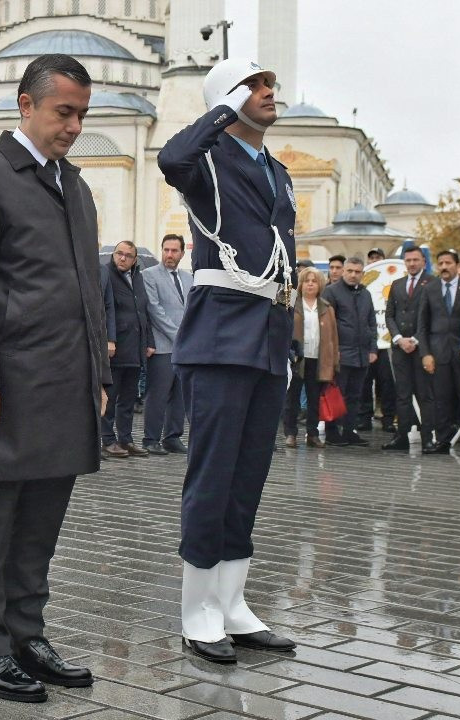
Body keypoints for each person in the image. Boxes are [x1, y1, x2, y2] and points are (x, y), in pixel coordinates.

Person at [0, 53, 107, 702]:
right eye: (63, 112)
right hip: (5, 382)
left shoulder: (75, 185)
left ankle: (26, 635)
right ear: (25, 104)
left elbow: (87, 290)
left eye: (81, 115)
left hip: (64, 379)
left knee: (42, 518)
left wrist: (96, 371)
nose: (73, 126)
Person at [158, 57, 299, 664]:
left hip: (267, 333)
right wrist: (224, 106)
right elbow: (170, 160)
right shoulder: (207, 161)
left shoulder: (280, 171)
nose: (271, 94)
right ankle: (198, 612)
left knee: (248, 478)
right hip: (219, 334)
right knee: (211, 476)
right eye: (258, 87)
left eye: (270, 85)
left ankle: (234, 602)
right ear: (230, 97)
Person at [419, 249, 460, 454]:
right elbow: (423, 324)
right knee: (441, 399)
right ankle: (442, 441)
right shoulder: (430, 288)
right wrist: (425, 353)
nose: (444, 267)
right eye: (440, 263)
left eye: (448, 263)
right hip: (438, 352)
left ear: (456, 264)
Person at [101, 240, 153, 459]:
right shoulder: (107, 276)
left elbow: (144, 311)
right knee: (110, 398)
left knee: (129, 399)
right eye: (119, 254)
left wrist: (149, 341)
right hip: (116, 348)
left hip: (135, 349)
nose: (122, 258)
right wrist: (108, 339)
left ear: (134, 260)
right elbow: (104, 310)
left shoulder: (138, 278)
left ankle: (126, 439)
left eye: (127, 255)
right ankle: (107, 440)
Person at [141, 233, 191, 455]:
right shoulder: (149, 275)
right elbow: (154, 309)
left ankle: (173, 436)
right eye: (166, 250)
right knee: (158, 395)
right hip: (162, 345)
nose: (169, 255)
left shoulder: (189, 277)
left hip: (187, 348)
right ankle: (151, 438)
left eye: (174, 251)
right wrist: (179, 336)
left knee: (180, 395)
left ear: (182, 253)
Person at [383, 246, 435, 451]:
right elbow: (389, 315)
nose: (412, 263)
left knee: (425, 395)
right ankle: (401, 436)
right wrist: (398, 338)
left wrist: (415, 339)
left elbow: (433, 316)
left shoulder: (433, 283)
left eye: (415, 260)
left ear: (423, 261)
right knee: (402, 394)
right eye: (408, 260)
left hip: (421, 348)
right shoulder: (397, 284)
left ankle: (427, 438)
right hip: (399, 348)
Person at [322, 257, 377, 446]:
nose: (353, 275)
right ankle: (332, 432)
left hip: (362, 354)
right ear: (344, 271)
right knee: (336, 393)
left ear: (363, 273)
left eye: (357, 272)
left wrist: (373, 348)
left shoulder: (366, 293)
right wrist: (332, 351)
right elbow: (327, 324)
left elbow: (371, 322)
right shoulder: (331, 292)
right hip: (341, 353)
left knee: (355, 395)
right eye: (350, 271)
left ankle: (349, 430)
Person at [282, 267, 339, 448]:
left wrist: (334, 362)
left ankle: (312, 434)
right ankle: (290, 433)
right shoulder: (292, 304)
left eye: (314, 281)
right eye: (307, 281)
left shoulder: (326, 307)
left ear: (320, 284)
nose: (310, 284)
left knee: (315, 399)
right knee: (293, 399)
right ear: (301, 284)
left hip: (318, 359)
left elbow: (333, 338)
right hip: (297, 359)